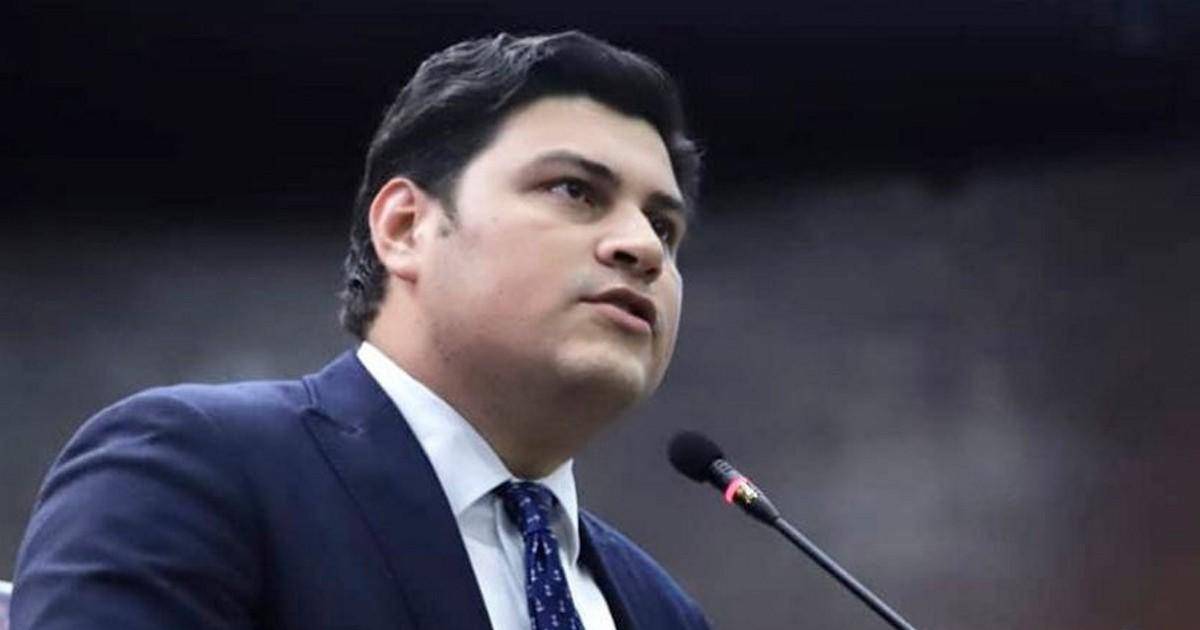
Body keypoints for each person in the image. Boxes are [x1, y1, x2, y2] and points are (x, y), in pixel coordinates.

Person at [12, 31, 709, 630]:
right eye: (575, 191)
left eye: (664, 226)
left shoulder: (662, 609)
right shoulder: (191, 470)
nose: (642, 247)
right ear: (405, 227)